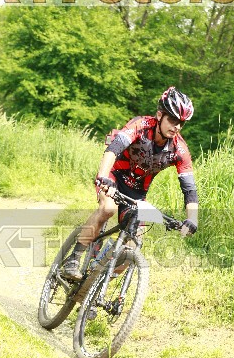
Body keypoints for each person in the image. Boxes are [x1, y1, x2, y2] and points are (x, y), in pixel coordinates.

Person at [63, 86, 199, 281]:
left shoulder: (179, 149)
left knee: (134, 243)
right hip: (113, 176)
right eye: (172, 119)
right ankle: (73, 259)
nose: (177, 126)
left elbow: (189, 190)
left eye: (181, 123)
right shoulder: (141, 125)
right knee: (107, 209)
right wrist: (103, 177)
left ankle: (94, 285)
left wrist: (192, 219)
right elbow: (113, 149)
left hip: (137, 191)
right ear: (160, 115)